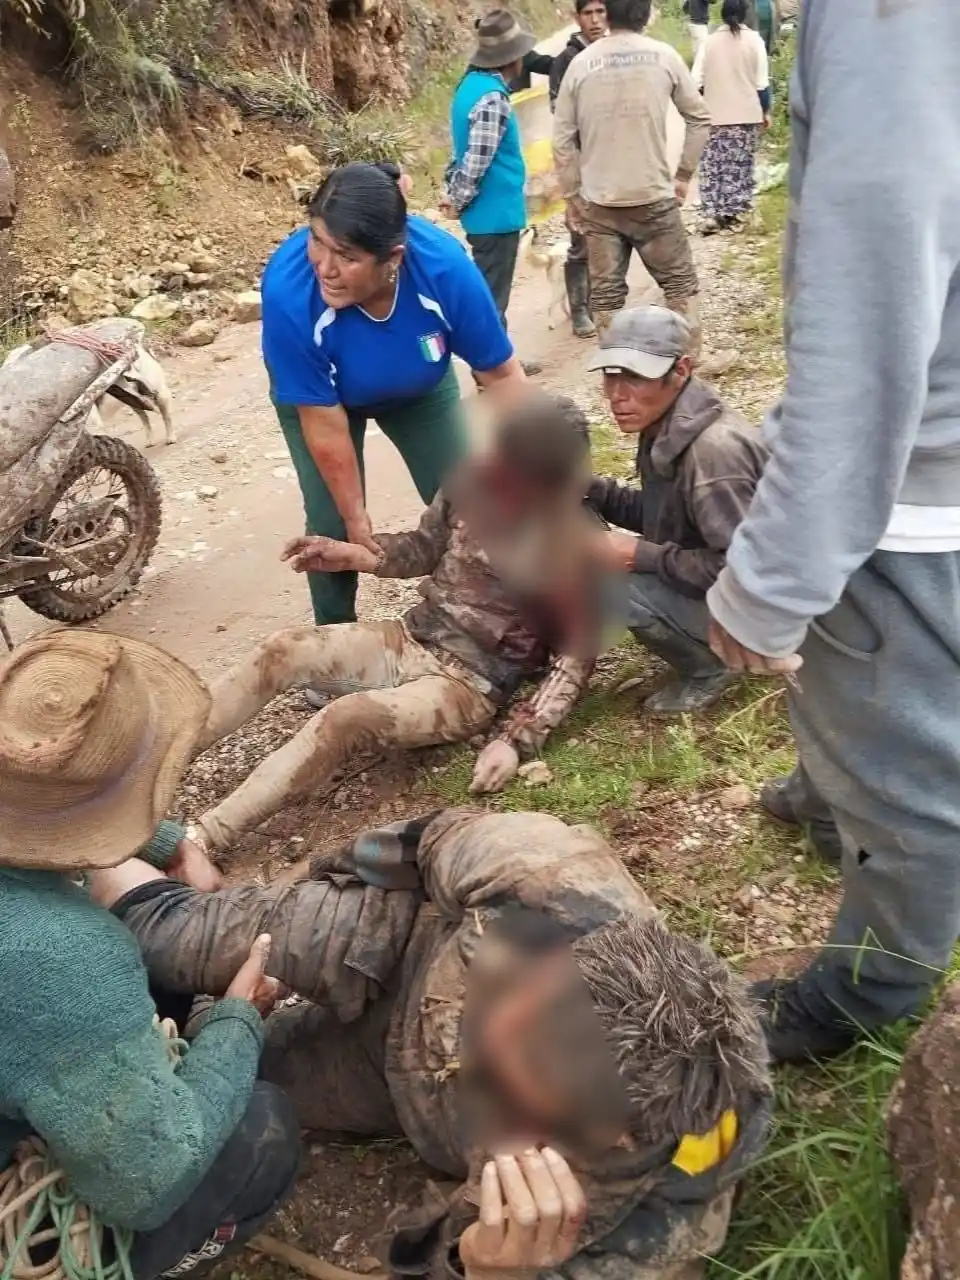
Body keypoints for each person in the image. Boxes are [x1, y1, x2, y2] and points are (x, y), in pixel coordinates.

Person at [98, 804, 773, 1280]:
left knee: (224, 1089)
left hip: (392, 1085)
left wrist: (488, 1267)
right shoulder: (558, 882)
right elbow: (430, 839)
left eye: (499, 1078)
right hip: (391, 937)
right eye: (504, 1000)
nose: (474, 1043)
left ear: (605, 1140)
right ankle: (94, 855)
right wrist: (329, 877)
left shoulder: (635, 1222)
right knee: (169, 937)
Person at [705, 0, 960, 1062]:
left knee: (906, 788)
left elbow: (875, 270)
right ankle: (826, 795)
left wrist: (766, 583)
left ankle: (875, 981)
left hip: (919, 489)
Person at [183, 394, 615, 854]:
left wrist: (514, 741)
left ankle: (203, 838)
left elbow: (574, 660)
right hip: (409, 636)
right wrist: (361, 555)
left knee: (344, 718)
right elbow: (426, 547)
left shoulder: (579, 540)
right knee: (282, 648)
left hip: (466, 686)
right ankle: (153, 761)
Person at [0, 630, 302, 1280]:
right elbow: (145, 1183)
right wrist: (236, 1018)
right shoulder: (55, 954)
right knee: (261, 1129)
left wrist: (168, 841)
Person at [261, 161, 525, 630]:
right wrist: (357, 520)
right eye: (316, 240)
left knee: (465, 501)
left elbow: (502, 378)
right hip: (322, 400)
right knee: (332, 522)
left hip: (417, 389)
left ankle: (490, 612)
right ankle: (334, 639)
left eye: (346, 255)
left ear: (394, 259)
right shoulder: (290, 291)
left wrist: (539, 466)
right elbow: (324, 424)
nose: (325, 266)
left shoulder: (445, 272)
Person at [586, 305, 766, 713]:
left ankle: (714, 667)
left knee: (607, 581)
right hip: (734, 591)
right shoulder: (667, 419)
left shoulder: (713, 454)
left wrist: (638, 555)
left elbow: (745, 571)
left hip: (764, 611)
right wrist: (595, 491)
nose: (616, 394)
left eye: (634, 376)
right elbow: (663, 515)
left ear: (681, 370)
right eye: (610, 375)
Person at [553, 0, 711, 351]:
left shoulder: (580, 64)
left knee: (607, 296)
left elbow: (562, 139)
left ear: (607, 15)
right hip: (654, 197)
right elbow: (699, 119)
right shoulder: (664, 56)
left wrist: (572, 196)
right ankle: (689, 364)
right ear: (648, 13)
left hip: (599, 202)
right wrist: (683, 175)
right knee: (679, 285)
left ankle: (614, 371)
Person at [445, 11, 541, 374]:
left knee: (489, 292)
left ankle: (498, 363)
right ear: (513, 57)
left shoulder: (469, 87)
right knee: (492, 298)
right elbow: (476, 161)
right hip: (494, 213)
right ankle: (494, 371)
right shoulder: (493, 99)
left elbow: (461, 152)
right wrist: (457, 198)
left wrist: (453, 193)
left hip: (486, 213)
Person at [548, 0, 608, 340]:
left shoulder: (615, 51)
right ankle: (580, 309)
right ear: (577, 18)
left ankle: (605, 300)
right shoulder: (566, 61)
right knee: (581, 238)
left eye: (601, 12)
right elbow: (562, 125)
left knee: (614, 234)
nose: (596, 20)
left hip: (612, 161)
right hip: (583, 164)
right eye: (589, 13)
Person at [693, 0, 771, 234]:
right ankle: (734, 211)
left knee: (713, 165)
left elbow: (695, 81)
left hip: (714, 116)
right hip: (746, 115)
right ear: (746, 14)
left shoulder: (709, 43)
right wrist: (765, 112)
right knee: (738, 165)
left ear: (722, 14)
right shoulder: (755, 41)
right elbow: (762, 85)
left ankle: (713, 213)